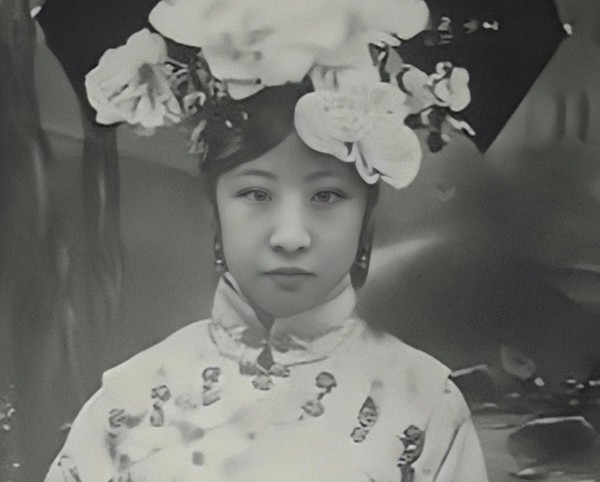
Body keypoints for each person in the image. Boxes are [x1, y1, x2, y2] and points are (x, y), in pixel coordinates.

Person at [40, 0, 567, 481]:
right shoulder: (129, 400)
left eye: (326, 197)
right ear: (215, 209)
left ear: (366, 215)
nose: (290, 236)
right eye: (255, 194)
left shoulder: (424, 403)